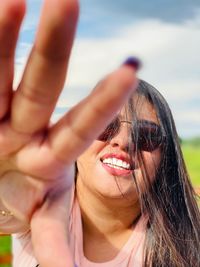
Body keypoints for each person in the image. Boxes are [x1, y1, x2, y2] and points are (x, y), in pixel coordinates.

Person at [0, 1, 199, 267]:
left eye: (147, 136)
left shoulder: (189, 245)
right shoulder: (39, 205)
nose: (123, 141)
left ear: (167, 159)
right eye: (104, 125)